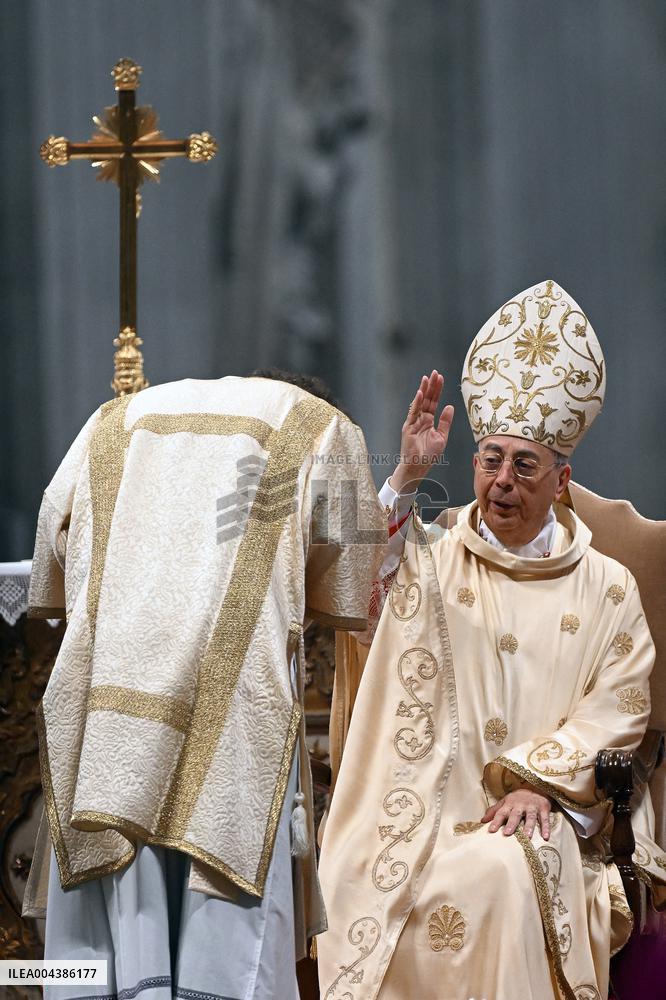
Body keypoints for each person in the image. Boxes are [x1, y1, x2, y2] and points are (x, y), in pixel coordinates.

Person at [317, 280, 666, 1000]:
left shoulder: (605, 587)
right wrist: (408, 478)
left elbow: (620, 708)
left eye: (524, 465)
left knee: (499, 875)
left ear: (561, 480)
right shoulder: (435, 555)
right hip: (417, 812)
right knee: (369, 885)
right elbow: (355, 592)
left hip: (540, 817)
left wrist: (540, 784)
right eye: (488, 460)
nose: (501, 481)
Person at [24, 371, 386, 1000]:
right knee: (223, 937)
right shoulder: (319, 427)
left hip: (108, 710)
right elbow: (350, 580)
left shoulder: (113, 421)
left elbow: (48, 557)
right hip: (233, 716)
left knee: (106, 938)